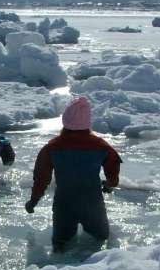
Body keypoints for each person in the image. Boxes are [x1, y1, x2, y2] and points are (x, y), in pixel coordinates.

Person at [25, 97, 121, 253]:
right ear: (87, 122)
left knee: (60, 248)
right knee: (100, 244)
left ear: (65, 121)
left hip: (64, 205)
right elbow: (114, 168)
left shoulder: (52, 147)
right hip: (93, 204)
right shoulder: (101, 146)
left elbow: (41, 179)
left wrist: (33, 201)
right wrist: (109, 183)